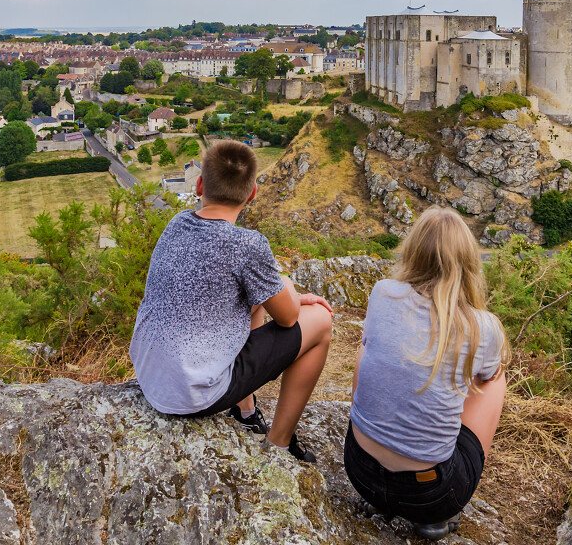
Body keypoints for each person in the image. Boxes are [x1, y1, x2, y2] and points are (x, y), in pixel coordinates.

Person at [129, 140, 334, 462]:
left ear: (199, 185)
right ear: (251, 194)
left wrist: (271, 291)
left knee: (254, 299)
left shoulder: (176, 224)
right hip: (193, 394)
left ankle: (246, 411)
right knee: (321, 322)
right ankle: (279, 444)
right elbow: (289, 319)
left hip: (152, 377)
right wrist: (285, 284)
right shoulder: (248, 244)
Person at [345, 207, 509, 541]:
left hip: (359, 471)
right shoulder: (482, 326)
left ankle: (382, 477)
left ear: (413, 251)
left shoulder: (382, 291)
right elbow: (484, 378)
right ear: (467, 262)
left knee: (366, 347)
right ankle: (441, 516)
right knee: (495, 378)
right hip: (431, 494)